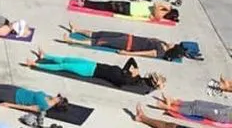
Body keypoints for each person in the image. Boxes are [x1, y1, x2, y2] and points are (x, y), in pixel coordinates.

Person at [22, 48, 165, 91]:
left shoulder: (134, 83)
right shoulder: (136, 76)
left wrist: (127, 73)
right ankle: (46, 55)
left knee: (64, 66)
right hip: (95, 64)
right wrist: (135, 69)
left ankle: (37, 65)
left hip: (91, 72)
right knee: (68, 59)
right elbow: (131, 61)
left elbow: (120, 82)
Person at [59, 24, 200, 61]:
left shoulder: (161, 52)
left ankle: (71, 40)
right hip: (128, 37)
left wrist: (127, 53)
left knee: (99, 41)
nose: (173, 43)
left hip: (127, 44)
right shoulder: (163, 44)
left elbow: (144, 53)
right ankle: (77, 30)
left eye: (175, 45)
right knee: (100, 33)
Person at [77, 0, 179, 22]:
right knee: (108, 4)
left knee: (107, 6)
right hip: (131, 6)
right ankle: (87, 2)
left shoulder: (160, 15)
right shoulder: (160, 13)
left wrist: (166, 6)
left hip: (130, 10)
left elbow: (156, 4)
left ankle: (85, 4)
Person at [151, 92, 232, 126]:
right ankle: (173, 102)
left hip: (225, 116)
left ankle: (169, 107)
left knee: (197, 109)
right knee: (198, 103)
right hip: (228, 109)